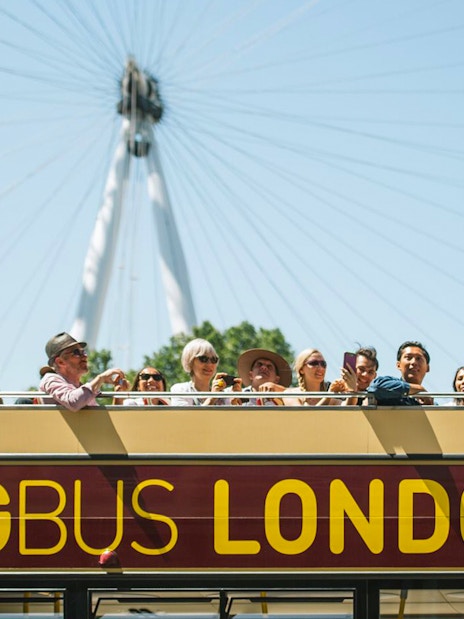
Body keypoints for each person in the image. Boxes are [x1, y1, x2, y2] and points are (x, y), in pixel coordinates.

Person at [40, 332, 125, 411]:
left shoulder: (82, 389)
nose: (85, 356)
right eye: (76, 352)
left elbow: (101, 420)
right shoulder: (50, 379)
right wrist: (100, 379)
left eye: (83, 351)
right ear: (60, 362)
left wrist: (118, 393)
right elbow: (73, 402)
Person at [170, 338, 241, 406]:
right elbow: (186, 418)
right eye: (203, 359)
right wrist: (212, 398)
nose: (210, 364)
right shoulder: (180, 390)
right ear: (190, 361)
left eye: (214, 359)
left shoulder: (224, 396)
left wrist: (233, 403)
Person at [366, 340, 432, 406]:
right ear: (398, 365)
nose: (413, 362)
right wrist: (418, 389)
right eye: (408, 358)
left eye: (418, 358)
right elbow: (376, 387)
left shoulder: (430, 402)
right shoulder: (389, 386)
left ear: (427, 367)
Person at [284, 348, 356, 406]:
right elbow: (304, 419)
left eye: (323, 364)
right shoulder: (290, 394)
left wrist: (352, 390)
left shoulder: (332, 399)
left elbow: (348, 411)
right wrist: (328, 397)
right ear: (301, 369)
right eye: (314, 363)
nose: (320, 368)